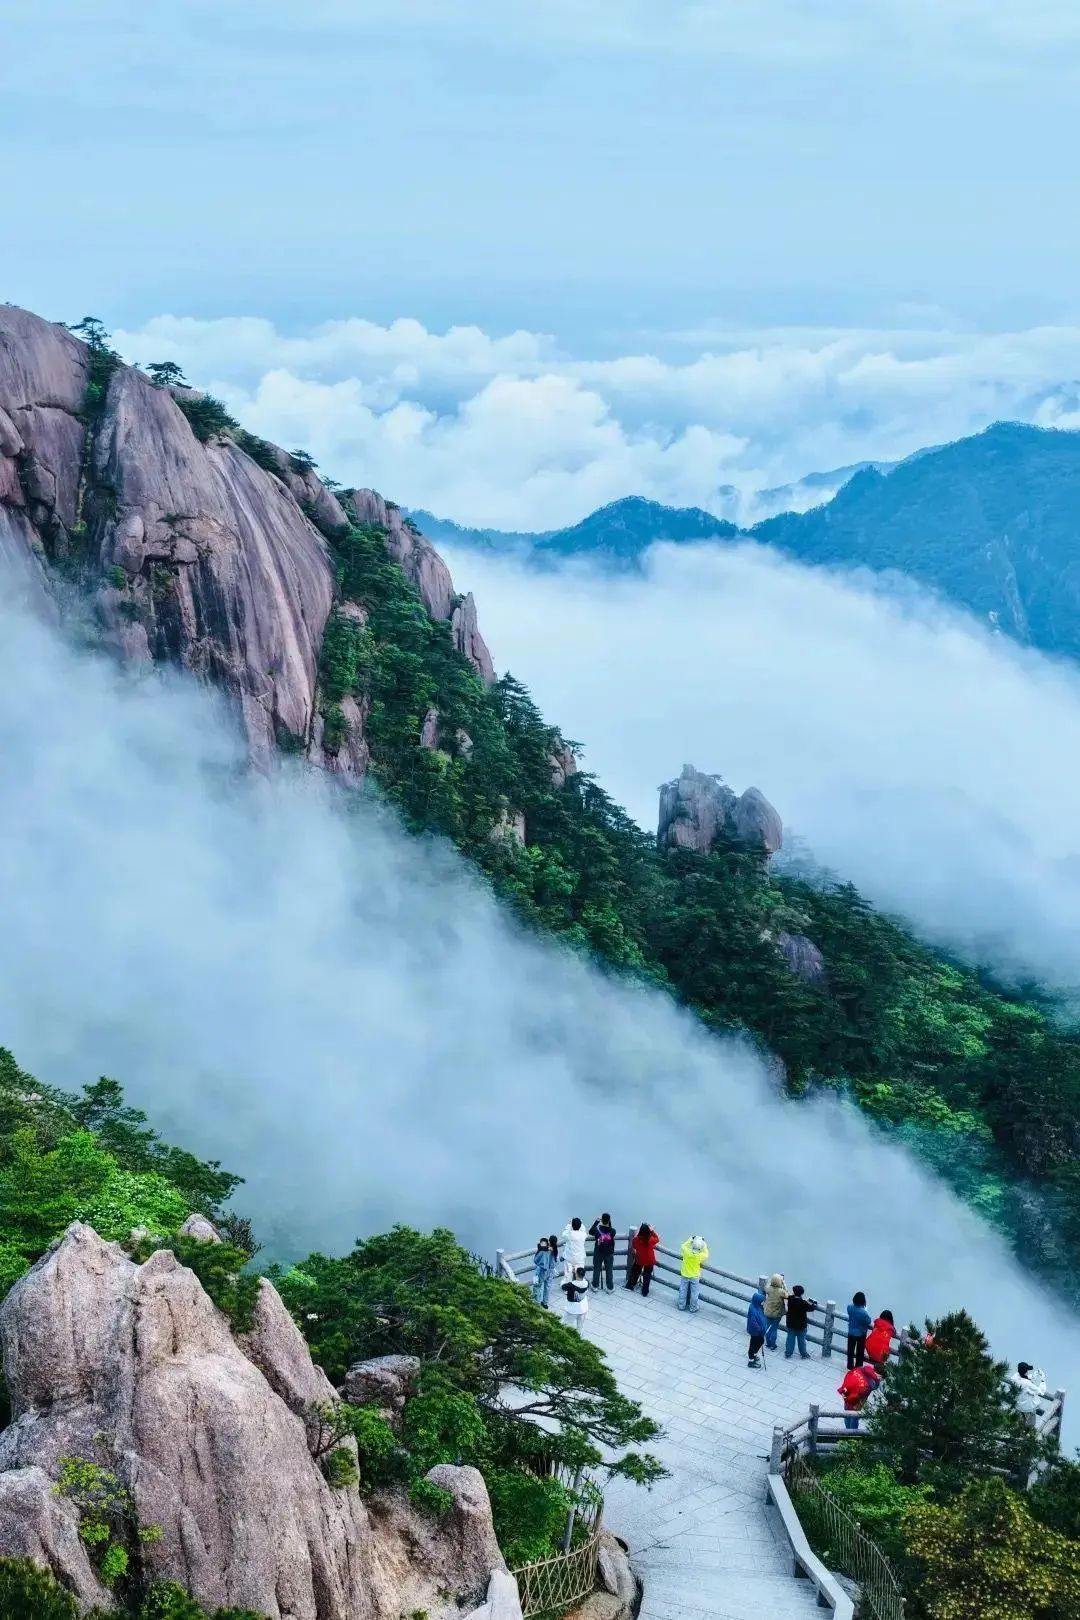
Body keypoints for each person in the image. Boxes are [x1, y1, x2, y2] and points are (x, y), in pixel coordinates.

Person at [838, 1362, 882, 1430]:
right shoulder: (872, 1383)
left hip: (847, 1394)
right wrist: (877, 1380)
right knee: (854, 1418)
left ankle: (847, 1429)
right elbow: (874, 1387)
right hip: (857, 1402)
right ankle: (852, 1433)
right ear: (880, 1376)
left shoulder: (861, 1369)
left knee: (847, 1414)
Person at [784, 1284, 818, 1360]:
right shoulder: (803, 1303)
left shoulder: (790, 1299)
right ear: (801, 1293)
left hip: (790, 1323)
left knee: (790, 1338)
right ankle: (803, 1354)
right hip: (801, 1325)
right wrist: (815, 1303)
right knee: (801, 1340)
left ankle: (788, 1353)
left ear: (794, 1292)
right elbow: (812, 1308)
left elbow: (790, 1297)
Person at [627, 1222, 660, 1297]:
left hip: (639, 1259)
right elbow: (657, 1239)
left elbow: (634, 1246)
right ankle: (644, 1292)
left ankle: (630, 1286)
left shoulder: (636, 1239)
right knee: (647, 1276)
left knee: (635, 1273)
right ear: (648, 1232)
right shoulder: (650, 1240)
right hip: (649, 1261)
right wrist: (652, 1231)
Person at [678, 1235, 709, 1312]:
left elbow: (683, 1246)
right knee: (694, 1293)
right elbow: (706, 1254)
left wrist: (691, 1239)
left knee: (683, 1290)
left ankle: (681, 1306)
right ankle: (693, 1308)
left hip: (685, 1274)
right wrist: (704, 1244)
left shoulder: (686, 1252)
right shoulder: (699, 1256)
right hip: (694, 1276)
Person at [589, 1212, 617, 1293]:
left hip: (598, 1252)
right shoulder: (613, 1231)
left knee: (597, 1268)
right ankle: (610, 1288)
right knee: (609, 1270)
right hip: (609, 1253)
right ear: (609, 1220)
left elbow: (590, 1231)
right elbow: (609, 1229)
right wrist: (608, 1221)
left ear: (602, 1220)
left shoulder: (597, 1229)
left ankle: (595, 1286)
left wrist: (597, 1221)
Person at [846, 1291, 873, 1369]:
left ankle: (850, 1366)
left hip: (851, 1332)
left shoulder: (849, 1307)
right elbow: (868, 1321)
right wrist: (865, 1310)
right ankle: (858, 1367)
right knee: (860, 1351)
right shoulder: (863, 1313)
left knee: (850, 1351)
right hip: (861, 1333)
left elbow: (850, 1312)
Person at [561, 1266, 590, 1334]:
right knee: (580, 1327)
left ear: (576, 1274)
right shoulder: (586, 1282)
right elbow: (578, 1282)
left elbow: (563, 1287)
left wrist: (567, 1277)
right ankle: (579, 1337)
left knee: (564, 1325)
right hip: (583, 1308)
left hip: (572, 1309)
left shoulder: (570, 1285)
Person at [763, 1273, 786, 1351]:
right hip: (777, 1314)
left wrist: (772, 1281)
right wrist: (783, 1283)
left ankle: (768, 1343)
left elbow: (766, 1288)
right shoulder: (781, 1291)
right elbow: (787, 1295)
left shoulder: (769, 1289)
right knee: (774, 1329)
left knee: (768, 1327)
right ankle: (772, 1345)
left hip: (768, 1312)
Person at [747, 1287, 768, 1368]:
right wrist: (760, 1329)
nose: (763, 1302)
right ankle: (751, 1361)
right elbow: (753, 1323)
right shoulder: (753, 1310)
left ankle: (754, 1355)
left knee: (760, 1341)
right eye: (762, 1301)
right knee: (753, 1344)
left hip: (759, 1331)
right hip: (756, 1332)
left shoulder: (757, 1306)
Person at [531, 1237, 554, 1308]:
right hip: (549, 1271)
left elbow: (536, 1260)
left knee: (537, 1286)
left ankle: (537, 1303)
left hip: (541, 1271)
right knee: (547, 1287)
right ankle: (545, 1303)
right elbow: (556, 1261)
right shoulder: (552, 1249)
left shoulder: (542, 1251)